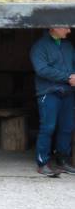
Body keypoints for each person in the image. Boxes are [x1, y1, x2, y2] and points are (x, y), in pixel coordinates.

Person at [31, 25, 75, 177]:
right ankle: (43, 163)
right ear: (54, 27)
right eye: (66, 28)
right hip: (48, 92)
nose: (69, 31)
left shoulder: (68, 46)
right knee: (48, 128)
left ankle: (62, 161)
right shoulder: (39, 46)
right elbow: (41, 69)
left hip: (68, 92)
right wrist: (68, 77)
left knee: (67, 128)